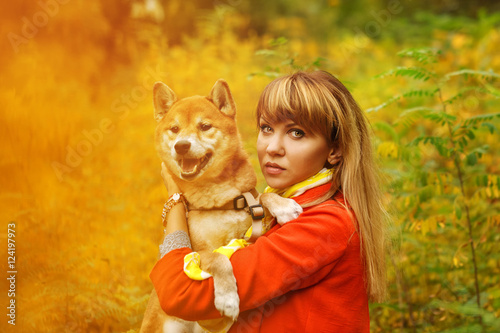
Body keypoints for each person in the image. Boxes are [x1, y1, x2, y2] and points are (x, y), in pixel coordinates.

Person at [150, 70, 387, 332]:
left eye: (297, 133)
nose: (273, 147)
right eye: (267, 128)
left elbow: (180, 295)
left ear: (335, 150)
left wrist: (174, 201)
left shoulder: (326, 224)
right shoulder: (287, 203)